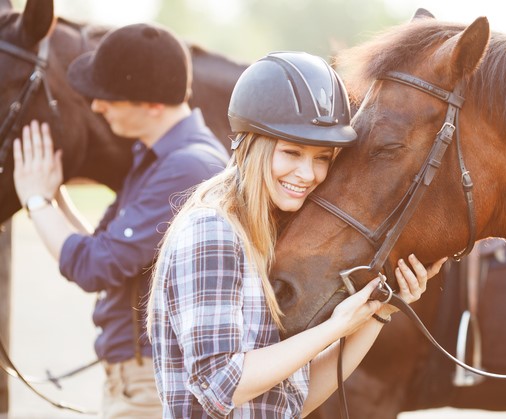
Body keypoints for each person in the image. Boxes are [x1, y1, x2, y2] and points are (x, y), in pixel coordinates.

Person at [147, 51, 447, 418]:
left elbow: (293, 403)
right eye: (292, 152)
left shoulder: (272, 233)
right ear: (252, 145)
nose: (308, 173)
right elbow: (219, 385)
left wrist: (378, 313)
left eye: (322, 157)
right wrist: (333, 329)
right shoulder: (214, 231)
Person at [12, 23, 229, 418]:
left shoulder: (186, 167)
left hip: (151, 384)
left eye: (108, 96)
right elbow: (101, 249)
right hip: (137, 380)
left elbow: (95, 267)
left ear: (152, 104)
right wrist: (52, 194)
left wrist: (36, 200)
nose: (96, 106)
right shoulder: (157, 160)